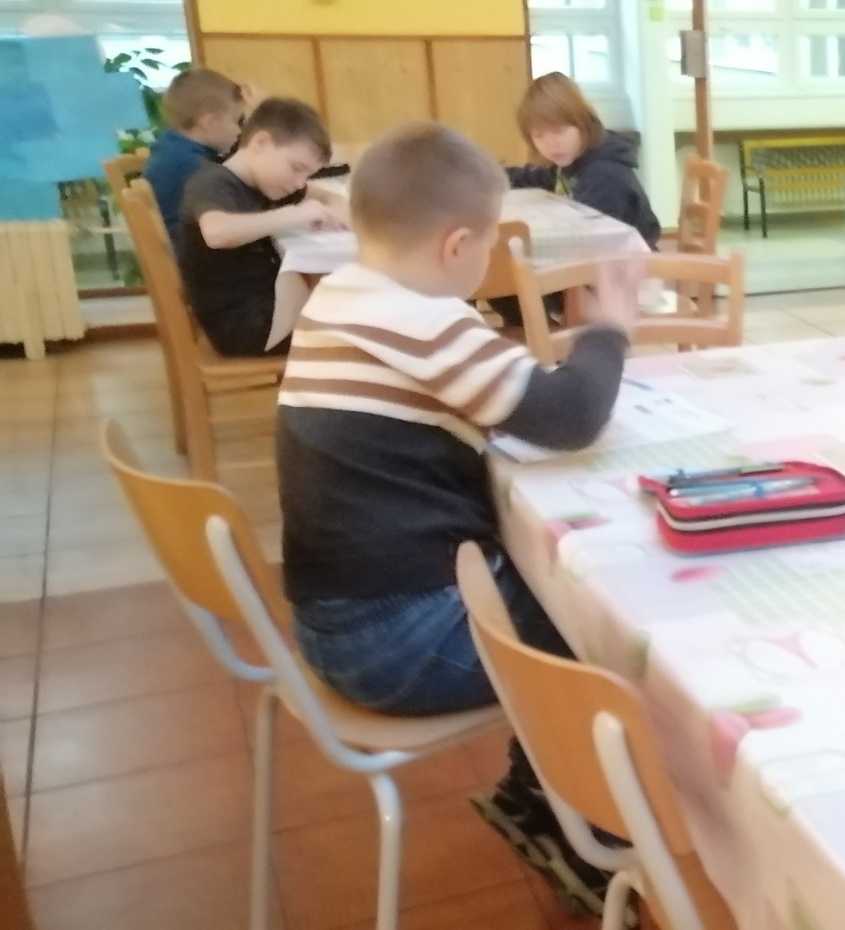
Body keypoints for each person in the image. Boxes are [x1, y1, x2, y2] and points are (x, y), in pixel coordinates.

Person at [276, 120, 644, 915]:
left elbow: (498, 395)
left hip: (341, 617)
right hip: (395, 640)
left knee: (554, 594)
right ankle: (593, 832)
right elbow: (569, 415)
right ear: (455, 247)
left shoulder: (342, 294)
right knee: (603, 629)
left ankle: (535, 794)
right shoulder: (418, 318)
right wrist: (608, 329)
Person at [177, 98, 348, 357]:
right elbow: (216, 233)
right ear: (261, 142)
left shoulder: (264, 182)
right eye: (296, 168)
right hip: (247, 328)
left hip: (269, 309)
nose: (299, 182)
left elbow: (325, 196)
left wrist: (335, 211)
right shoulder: (213, 182)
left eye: (307, 175)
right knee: (369, 324)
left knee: (363, 309)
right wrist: (292, 215)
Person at [492, 72, 662, 327]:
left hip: (621, 281)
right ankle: (543, 338)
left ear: (582, 123)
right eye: (539, 135)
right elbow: (537, 176)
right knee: (502, 274)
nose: (551, 143)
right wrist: (492, 175)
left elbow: (586, 244)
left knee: (505, 277)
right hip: (592, 271)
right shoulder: (575, 160)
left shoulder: (603, 174)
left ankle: (547, 341)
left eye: (559, 130)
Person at [141, 68, 264, 250]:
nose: (240, 131)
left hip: (181, 248)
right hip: (194, 256)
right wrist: (266, 113)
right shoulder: (193, 166)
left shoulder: (172, 146)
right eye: (237, 121)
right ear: (209, 122)